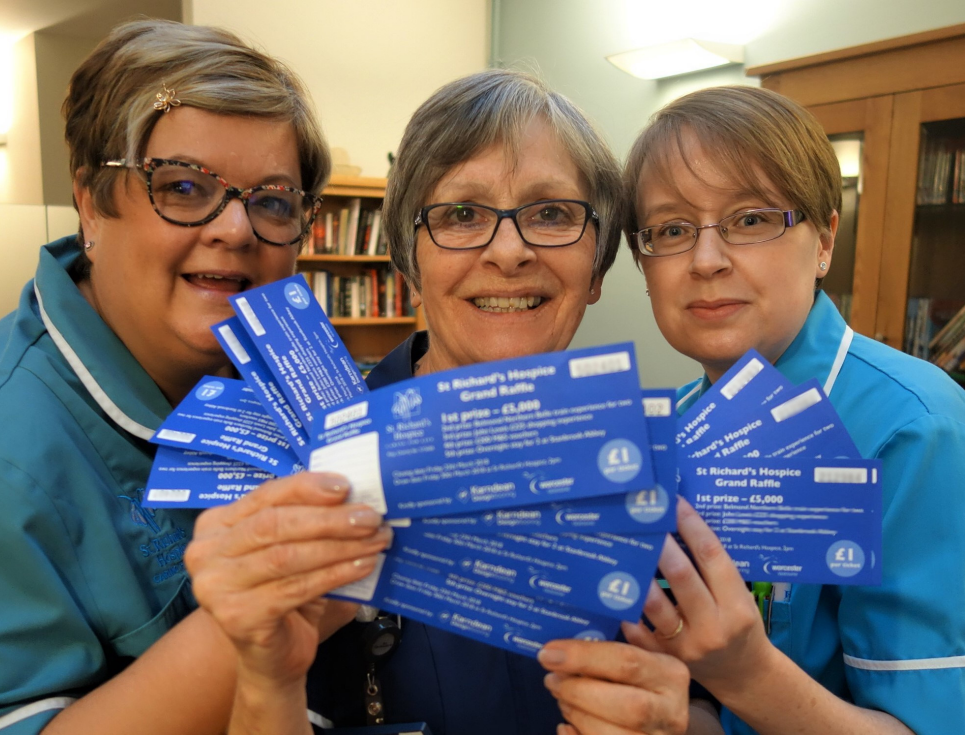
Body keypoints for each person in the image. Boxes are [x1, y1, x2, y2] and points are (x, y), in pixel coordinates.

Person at [187, 69, 722, 735]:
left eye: (550, 213)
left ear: (598, 268)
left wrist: (677, 721)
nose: (508, 250)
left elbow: (702, 690)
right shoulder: (300, 461)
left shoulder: (660, 462)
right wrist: (268, 680)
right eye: (461, 214)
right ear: (408, 261)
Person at [0, 19, 389, 735]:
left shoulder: (281, 362)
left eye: (272, 200)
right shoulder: (14, 447)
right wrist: (297, 595)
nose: (237, 229)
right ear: (90, 201)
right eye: (182, 186)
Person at [621, 85, 965, 735]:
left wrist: (746, 674)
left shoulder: (914, 429)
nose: (705, 260)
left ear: (824, 240)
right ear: (643, 265)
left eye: (750, 219)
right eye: (670, 229)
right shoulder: (671, 426)